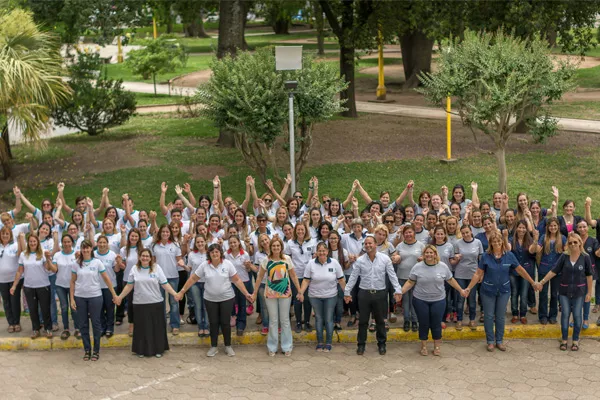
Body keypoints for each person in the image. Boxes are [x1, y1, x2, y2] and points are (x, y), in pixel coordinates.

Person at [465, 232, 537, 352]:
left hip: (504, 291)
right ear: (491, 243)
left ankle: (499, 340)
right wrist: (469, 287)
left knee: (500, 317)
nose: (497, 243)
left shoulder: (509, 255)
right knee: (488, 316)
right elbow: (478, 273)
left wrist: (533, 282)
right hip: (488, 290)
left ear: (502, 242)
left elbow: (520, 270)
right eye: (494, 241)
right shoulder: (486, 257)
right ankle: (490, 341)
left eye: (499, 241)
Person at [177, 244, 253, 357]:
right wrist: (182, 291)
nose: (214, 254)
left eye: (217, 252)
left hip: (227, 298)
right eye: (212, 252)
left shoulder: (227, 264)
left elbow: (237, 280)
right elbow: (193, 278)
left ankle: (228, 346)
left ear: (220, 253)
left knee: (225, 323)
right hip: (210, 299)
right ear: (209, 254)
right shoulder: (204, 265)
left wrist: (246, 293)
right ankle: (214, 346)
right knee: (213, 323)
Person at [400, 245, 466, 356]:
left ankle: (437, 346)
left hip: (438, 300)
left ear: (435, 254)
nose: (429, 255)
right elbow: (410, 282)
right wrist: (400, 292)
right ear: (423, 254)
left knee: (436, 324)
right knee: (424, 323)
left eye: (431, 252)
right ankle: (424, 346)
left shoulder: (443, 266)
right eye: (427, 253)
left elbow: (450, 280)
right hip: (420, 300)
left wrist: (461, 290)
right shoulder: (417, 267)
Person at [344, 236, 402, 356]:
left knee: (380, 321)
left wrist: (398, 290)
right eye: (365, 243)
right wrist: (347, 292)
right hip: (364, 294)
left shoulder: (385, 259)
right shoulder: (360, 260)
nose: (368, 245)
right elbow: (353, 277)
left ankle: (381, 344)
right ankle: (361, 345)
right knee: (363, 322)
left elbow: (392, 276)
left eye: (370, 243)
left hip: (380, 294)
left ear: (375, 244)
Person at [116, 248, 179, 358]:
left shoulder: (157, 268)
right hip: (139, 303)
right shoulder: (134, 269)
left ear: (151, 258)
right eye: (143, 256)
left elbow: (165, 284)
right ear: (139, 257)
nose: (145, 258)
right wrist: (120, 297)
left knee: (157, 328)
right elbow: (129, 285)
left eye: (147, 256)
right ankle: (141, 350)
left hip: (156, 302)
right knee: (141, 328)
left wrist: (175, 294)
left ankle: (159, 349)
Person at [536, 232, 592, 351]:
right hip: (564, 291)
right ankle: (564, 340)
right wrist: (542, 282)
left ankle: (575, 340)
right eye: (570, 242)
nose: (573, 244)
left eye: (575, 242)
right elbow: (554, 271)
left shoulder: (585, 257)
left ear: (580, 243)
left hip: (579, 292)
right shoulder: (564, 256)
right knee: (565, 315)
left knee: (577, 316)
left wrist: (589, 293)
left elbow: (589, 276)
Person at [69, 241, 118, 361]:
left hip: (95, 297)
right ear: (80, 250)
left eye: (87, 248)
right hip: (80, 297)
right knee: (83, 324)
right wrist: (72, 299)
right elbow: (72, 282)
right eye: (83, 248)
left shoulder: (97, 263)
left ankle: (96, 350)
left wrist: (114, 294)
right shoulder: (76, 264)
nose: (85, 250)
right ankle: (87, 350)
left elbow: (106, 278)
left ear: (91, 249)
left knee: (96, 324)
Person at [253, 237, 301, 356]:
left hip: (285, 294)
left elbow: (294, 276)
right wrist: (254, 293)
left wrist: (299, 291)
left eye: (278, 246)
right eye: (273, 246)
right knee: (273, 321)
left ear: (281, 247)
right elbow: (259, 277)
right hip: (270, 294)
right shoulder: (266, 260)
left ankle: (287, 346)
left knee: (285, 320)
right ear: (270, 247)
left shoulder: (287, 259)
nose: (275, 248)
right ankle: (272, 347)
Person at [300, 242, 346, 352]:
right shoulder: (311, 263)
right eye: (319, 251)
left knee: (329, 319)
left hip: (331, 296)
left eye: (323, 251)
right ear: (316, 252)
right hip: (314, 296)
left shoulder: (334, 263)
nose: (322, 253)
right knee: (319, 319)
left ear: (327, 252)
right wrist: (301, 292)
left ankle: (329, 342)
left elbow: (341, 279)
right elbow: (306, 280)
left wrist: (347, 293)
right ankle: (320, 342)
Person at [11, 233, 56, 339]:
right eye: (30, 241)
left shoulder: (43, 254)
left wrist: (49, 259)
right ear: (28, 242)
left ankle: (48, 328)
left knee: (45, 309)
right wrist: (14, 285)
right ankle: (35, 329)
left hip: (43, 286)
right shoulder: (23, 254)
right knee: (33, 309)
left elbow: (49, 269)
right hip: (29, 287)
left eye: (34, 241)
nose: (32, 243)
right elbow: (19, 271)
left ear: (38, 242)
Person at [152, 224, 184, 335]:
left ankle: (175, 325)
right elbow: (153, 261)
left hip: (173, 277)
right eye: (163, 231)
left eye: (167, 232)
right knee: (160, 301)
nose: (165, 234)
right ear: (160, 233)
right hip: (159, 278)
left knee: (174, 301)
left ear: (170, 233)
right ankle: (161, 324)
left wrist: (181, 263)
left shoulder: (175, 245)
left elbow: (179, 259)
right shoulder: (155, 246)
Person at [534, 217, 566, 325]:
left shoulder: (563, 238)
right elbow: (537, 249)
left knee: (554, 294)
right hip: (544, 269)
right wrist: (536, 240)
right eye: (551, 226)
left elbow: (567, 251)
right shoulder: (543, 237)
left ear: (558, 227)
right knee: (543, 294)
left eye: (555, 226)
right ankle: (542, 315)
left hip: (557, 271)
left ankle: (553, 315)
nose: (553, 227)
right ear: (547, 227)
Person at [395, 224, 425, 332]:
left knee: (414, 300)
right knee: (405, 301)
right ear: (404, 234)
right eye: (406, 233)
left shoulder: (421, 245)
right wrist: (396, 258)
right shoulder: (399, 246)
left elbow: (426, 258)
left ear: (414, 233)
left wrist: (423, 258)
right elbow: (395, 258)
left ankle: (415, 320)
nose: (408, 234)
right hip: (402, 276)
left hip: (416, 277)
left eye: (410, 232)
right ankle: (406, 320)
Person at [285, 223, 316, 333]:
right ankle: (298, 322)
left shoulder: (312, 242)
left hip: (308, 276)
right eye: (298, 230)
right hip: (296, 276)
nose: (300, 232)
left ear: (306, 230)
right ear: (295, 231)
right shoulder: (290, 243)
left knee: (307, 300)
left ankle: (307, 322)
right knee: (298, 299)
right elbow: (287, 258)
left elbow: (313, 257)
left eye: (302, 229)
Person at [453, 225, 484, 331]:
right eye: (463, 233)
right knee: (460, 299)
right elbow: (454, 259)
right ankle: (459, 320)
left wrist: (481, 274)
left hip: (473, 275)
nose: (465, 235)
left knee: (472, 299)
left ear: (471, 231)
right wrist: (456, 258)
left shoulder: (478, 242)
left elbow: (481, 260)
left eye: (467, 232)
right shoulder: (457, 243)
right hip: (460, 274)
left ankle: (472, 319)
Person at [509, 221, 537, 324]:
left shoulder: (529, 241)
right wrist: (504, 237)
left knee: (524, 294)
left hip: (526, 271)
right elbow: (507, 249)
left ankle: (523, 314)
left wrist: (535, 240)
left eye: (523, 228)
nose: (521, 230)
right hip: (513, 271)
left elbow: (532, 250)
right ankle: (515, 313)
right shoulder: (511, 240)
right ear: (516, 229)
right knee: (514, 293)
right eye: (519, 227)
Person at [52, 233, 79, 339]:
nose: (66, 244)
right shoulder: (57, 255)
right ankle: (66, 329)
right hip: (60, 285)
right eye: (64, 242)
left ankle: (77, 328)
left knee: (74, 307)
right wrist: (48, 261)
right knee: (63, 307)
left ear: (72, 242)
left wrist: (78, 259)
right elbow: (54, 269)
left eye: (68, 241)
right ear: (62, 243)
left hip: (74, 285)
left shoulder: (76, 255)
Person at [0, 226, 23, 333]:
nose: (5, 235)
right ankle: (11, 323)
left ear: (10, 236)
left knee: (14, 301)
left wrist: (19, 241)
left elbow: (19, 253)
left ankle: (17, 322)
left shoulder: (14, 245)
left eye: (7, 234)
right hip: (2, 280)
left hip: (14, 279)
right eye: (3, 233)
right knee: (6, 302)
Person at [187, 235, 209, 337]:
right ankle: (200, 327)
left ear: (205, 242)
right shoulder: (191, 254)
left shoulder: (209, 253)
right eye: (198, 242)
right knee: (198, 305)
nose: (200, 244)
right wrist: (183, 266)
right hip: (195, 283)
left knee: (206, 306)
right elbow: (189, 268)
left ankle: (207, 326)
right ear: (195, 244)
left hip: (207, 283)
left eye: (202, 242)